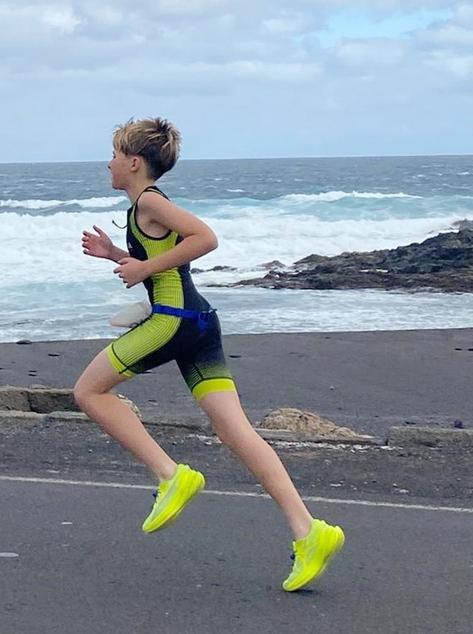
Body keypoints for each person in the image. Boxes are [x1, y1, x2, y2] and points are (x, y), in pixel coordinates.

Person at [73, 117, 344, 592]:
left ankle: (170, 475)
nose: (109, 162)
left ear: (134, 163)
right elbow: (160, 264)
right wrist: (116, 253)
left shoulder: (150, 201)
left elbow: (205, 239)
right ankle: (309, 531)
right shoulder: (146, 208)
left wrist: (142, 269)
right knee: (235, 430)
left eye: (115, 155)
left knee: (89, 391)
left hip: (173, 323)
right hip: (200, 324)